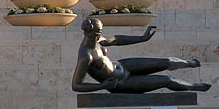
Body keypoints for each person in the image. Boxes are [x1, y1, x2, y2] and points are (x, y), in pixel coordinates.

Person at [72, 18, 211, 94]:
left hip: (123, 65)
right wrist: (102, 86)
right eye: (99, 32)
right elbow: (76, 85)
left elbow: (116, 39)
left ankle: (187, 63)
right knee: (168, 80)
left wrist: (142, 38)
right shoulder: (86, 56)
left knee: (166, 61)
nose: (101, 35)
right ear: (92, 33)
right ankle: (194, 86)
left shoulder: (98, 40)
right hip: (121, 82)